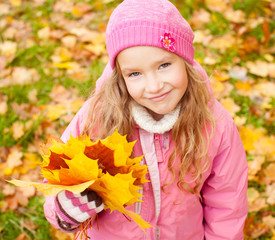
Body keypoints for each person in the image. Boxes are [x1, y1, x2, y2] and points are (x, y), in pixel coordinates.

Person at [43, 0, 248, 239]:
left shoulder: (214, 123)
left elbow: (227, 201)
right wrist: (66, 209)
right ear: (120, 75)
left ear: (185, 60)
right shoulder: (95, 119)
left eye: (164, 65)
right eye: (135, 73)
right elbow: (60, 179)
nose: (154, 86)